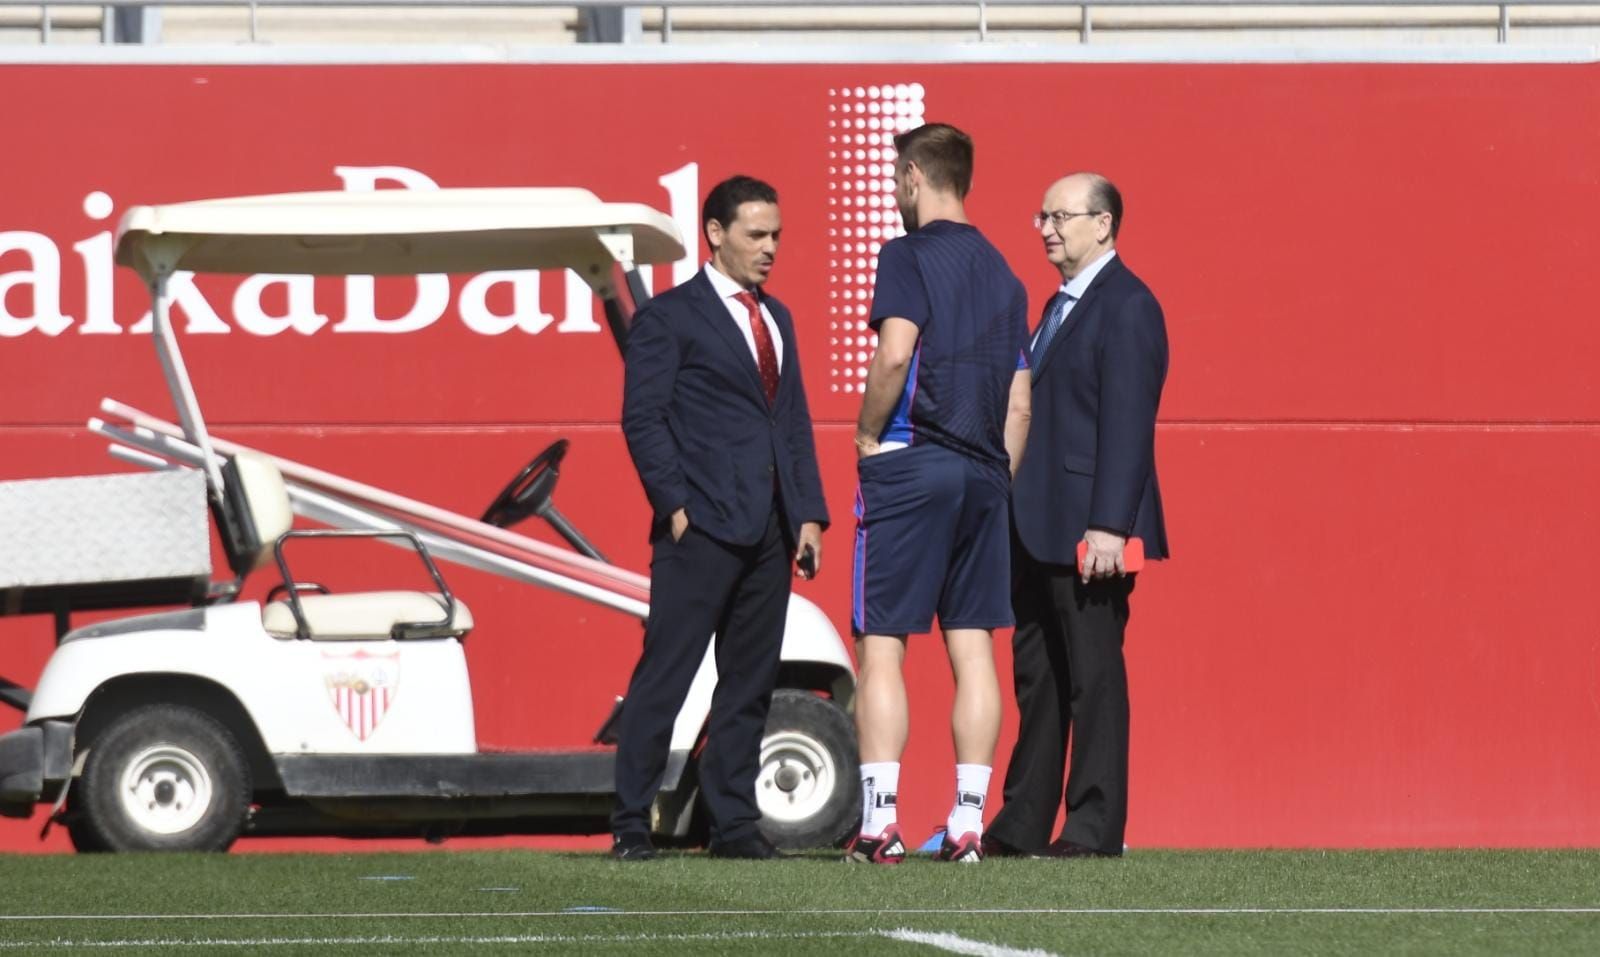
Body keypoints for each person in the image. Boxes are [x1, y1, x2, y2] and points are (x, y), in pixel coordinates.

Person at [613, 174, 828, 861]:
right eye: (756, 234)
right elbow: (642, 419)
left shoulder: (778, 318)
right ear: (715, 233)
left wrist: (809, 516)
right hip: (699, 529)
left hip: (768, 530)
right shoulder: (669, 316)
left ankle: (733, 824)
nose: (770, 248)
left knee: (749, 683)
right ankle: (628, 823)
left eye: (776, 236)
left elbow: (790, 422)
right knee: (666, 677)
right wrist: (675, 508)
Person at [847, 123, 1032, 865]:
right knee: (974, 646)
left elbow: (895, 350)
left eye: (898, 176)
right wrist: (997, 476)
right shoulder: (1006, 272)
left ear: (917, 175)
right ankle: (966, 823)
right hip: (987, 472)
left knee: (882, 644)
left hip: (912, 458)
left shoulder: (906, 253)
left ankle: (878, 822)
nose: (896, 191)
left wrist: (866, 434)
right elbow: (1021, 401)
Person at [983, 172, 1170, 860]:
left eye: (1061, 216)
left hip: (1089, 530)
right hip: (1035, 526)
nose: (1046, 228)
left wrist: (1109, 526)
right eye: (1041, 216)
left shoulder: (1127, 305)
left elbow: (1127, 425)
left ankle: (1093, 826)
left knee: (1093, 676)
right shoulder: (1057, 306)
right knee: (1040, 677)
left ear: (1104, 224)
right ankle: (1022, 821)